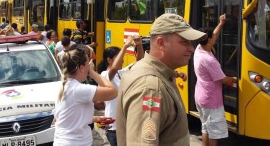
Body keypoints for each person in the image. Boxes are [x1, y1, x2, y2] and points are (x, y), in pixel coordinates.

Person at [116, 13, 207, 146]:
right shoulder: (150, 88)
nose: (191, 48)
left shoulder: (153, 73)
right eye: (184, 42)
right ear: (161, 42)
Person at [53, 47, 117, 146]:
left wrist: (95, 119)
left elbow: (63, 118)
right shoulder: (78, 89)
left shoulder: (63, 85)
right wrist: (92, 72)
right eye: (88, 64)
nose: (89, 66)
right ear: (82, 67)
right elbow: (113, 92)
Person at [194, 14, 237, 146]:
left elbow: (214, 35)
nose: (215, 37)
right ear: (209, 40)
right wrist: (236, 79)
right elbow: (224, 80)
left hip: (200, 98)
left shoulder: (199, 49)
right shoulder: (209, 60)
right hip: (211, 101)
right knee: (214, 133)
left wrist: (221, 23)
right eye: (212, 37)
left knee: (205, 128)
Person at [99, 35, 136, 146]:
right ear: (109, 60)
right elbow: (114, 68)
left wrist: (138, 44)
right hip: (112, 126)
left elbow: (139, 61)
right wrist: (125, 46)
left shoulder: (120, 74)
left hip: (124, 124)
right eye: (118, 56)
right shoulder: (104, 75)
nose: (122, 59)